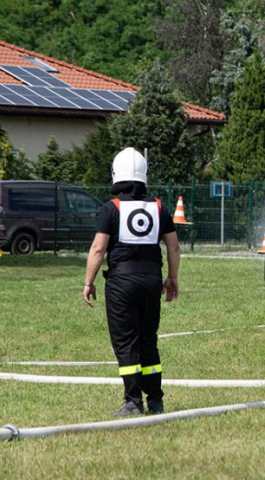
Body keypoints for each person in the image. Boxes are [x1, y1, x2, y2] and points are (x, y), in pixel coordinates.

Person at [83, 147, 181, 416]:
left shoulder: (110, 209)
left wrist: (88, 282)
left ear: (115, 173)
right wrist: (172, 278)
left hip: (121, 283)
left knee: (126, 341)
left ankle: (132, 401)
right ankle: (156, 400)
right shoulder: (159, 207)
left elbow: (98, 249)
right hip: (152, 280)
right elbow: (173, 246)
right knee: (148, 339)